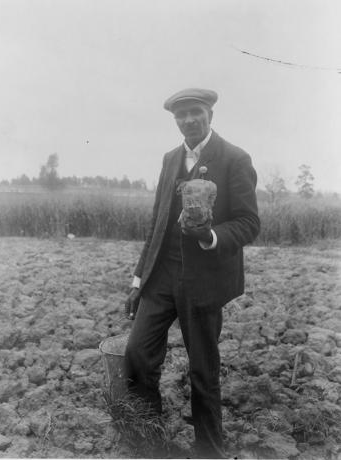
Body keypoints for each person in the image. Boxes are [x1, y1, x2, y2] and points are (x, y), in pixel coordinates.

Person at [124, 88, 260, 458]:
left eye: (195, 112)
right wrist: (139, 279)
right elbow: (157, 222)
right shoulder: (170, 159)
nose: (188, 120)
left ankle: (208, 451)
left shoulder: (234, 158)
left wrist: (211, 236)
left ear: (210, 115)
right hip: (162, 275)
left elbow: (249, 223)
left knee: (203, 370)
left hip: (203, 280)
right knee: (137, 353)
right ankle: (149, 440)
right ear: (175, 120)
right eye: (180, 115)